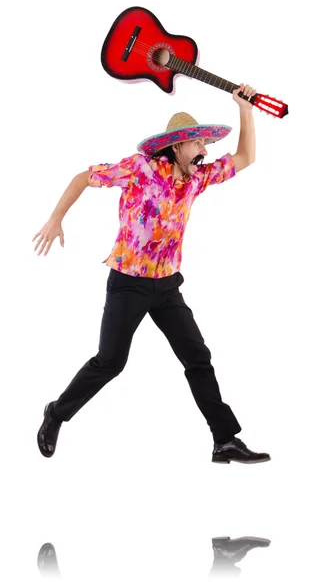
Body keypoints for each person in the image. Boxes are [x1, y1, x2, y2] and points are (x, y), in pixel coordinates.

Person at [34, 84, 270, 464]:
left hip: (167, 286)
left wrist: (245, 109)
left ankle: (224, 440)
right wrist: (56, 218)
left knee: (197, 356)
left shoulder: (196, 178)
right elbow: (84, 176)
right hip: (128, 283)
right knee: (110, 361)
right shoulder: (139, 169)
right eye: (198, 144)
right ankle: (56, 413)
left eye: (205, 145)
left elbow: (245, 157)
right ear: (177, 147)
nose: (205, 152)